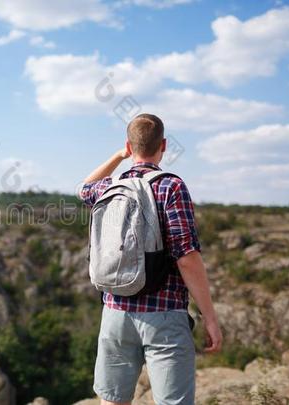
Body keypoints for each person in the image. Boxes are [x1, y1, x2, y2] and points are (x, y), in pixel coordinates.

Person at [79, 113, 222, 405]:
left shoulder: (109, 185)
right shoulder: (171, 186)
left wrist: (120, 156)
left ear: (129, 146)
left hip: (115, 311)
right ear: (164, 145)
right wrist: (210, 317)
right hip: (164, 316)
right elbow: (186, 257)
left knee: (113, 400)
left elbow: (83, 188)